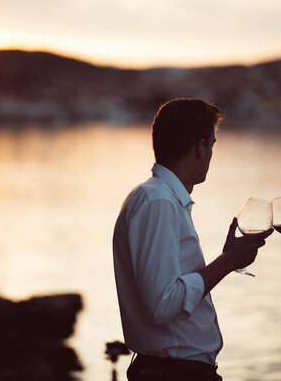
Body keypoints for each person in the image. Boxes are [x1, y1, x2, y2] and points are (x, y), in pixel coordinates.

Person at [113, 98, 272, 381]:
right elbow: (162, 303)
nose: (211, 153)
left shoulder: (159, 198)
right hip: (173, 373)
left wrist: (228, 260)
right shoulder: (158, 202)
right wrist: (227, 262)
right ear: (200, 147)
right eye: (212, 144)